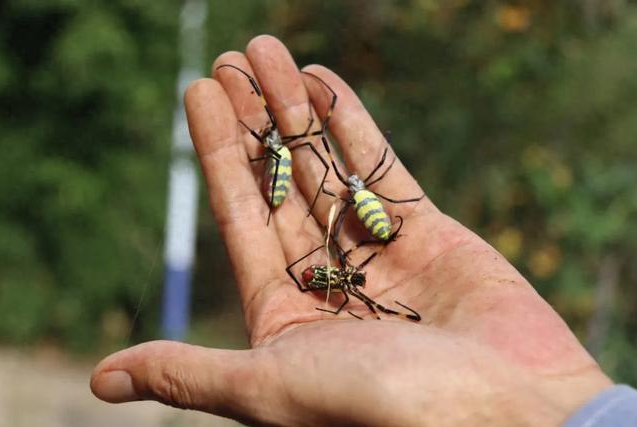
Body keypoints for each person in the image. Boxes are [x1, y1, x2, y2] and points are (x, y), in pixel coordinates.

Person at [90, 35, 636, 426]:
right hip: (339, 247)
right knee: (356, 282)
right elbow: (334, 271)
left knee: (357, 283)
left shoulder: (340, 266)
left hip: (341, 246)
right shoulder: (341, 267)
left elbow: (335, 271)